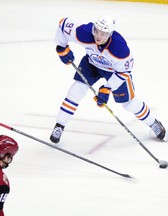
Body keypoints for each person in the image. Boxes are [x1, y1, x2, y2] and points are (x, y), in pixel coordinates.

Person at [50, 15, 167, 143]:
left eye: (103, 34)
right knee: (76, 91)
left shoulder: (120, 50)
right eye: (97, 31)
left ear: (110, 34)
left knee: (129, 103)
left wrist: (108, 88)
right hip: (91, 63)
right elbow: (63, 24)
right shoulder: (85, 33)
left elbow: (124, 72)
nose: (98, 36)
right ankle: (59, 126)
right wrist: (61, 47)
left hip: (115, 72)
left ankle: (153, 123)